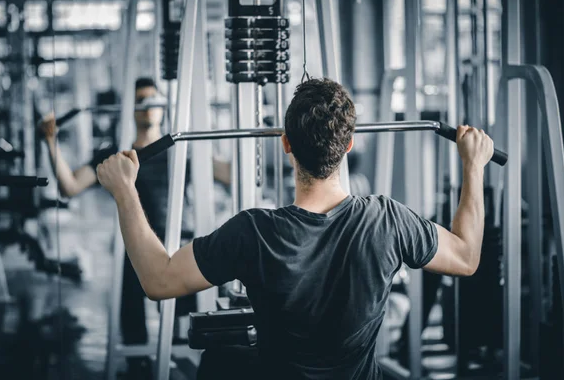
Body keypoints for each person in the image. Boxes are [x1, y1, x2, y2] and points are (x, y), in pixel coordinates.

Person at [96, 78, 494, 379]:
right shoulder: (387, 220)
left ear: (286, 144)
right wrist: (473, 166)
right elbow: (466, 257)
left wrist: (124, 191)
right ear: (349, 144)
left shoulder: (254, 231)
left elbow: (157, 281)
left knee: (217, 361)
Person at [39, 77, 230, 379]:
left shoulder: (181, 150)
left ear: (163, 107)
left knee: (183, 337)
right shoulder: (117, 158)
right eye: (140, 100)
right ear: (131, 109)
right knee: (133, 330)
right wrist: (50, 141)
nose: (147, 106)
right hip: (134, 248)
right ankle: (136, 366)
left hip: (180, 246)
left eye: (152, 100)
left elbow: (234, 176)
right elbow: (70, 186)